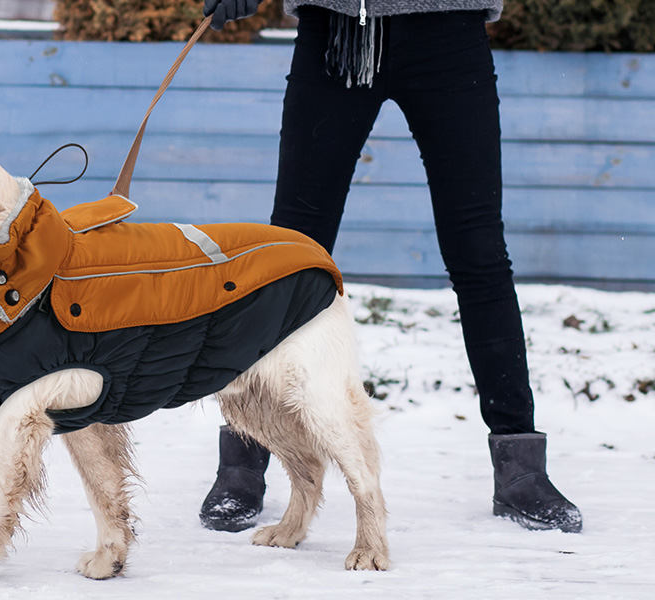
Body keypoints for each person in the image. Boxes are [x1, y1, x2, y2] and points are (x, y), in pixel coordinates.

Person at [196, 0, 583, 533]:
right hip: (337, 33)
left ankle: (521, 470)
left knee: (478, 254)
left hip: (449, 30)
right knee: (288, 260)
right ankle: (245, 459)